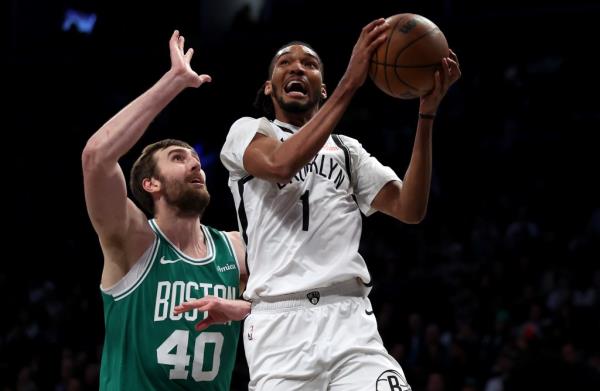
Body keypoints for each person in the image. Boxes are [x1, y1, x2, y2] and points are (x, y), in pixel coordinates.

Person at [187, 17, 460, 390]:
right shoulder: (249, 132)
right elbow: (279, 165)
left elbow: (410, 209)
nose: (297, 66)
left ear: (322, 88)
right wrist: (353, 81)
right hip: (278, 328)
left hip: (349, 321)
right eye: (285, 62)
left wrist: (426, 114)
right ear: (269, 87)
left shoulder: (349, 150)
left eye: (310, 64)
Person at [82, 30, 250, 390]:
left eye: (196, 159)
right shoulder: (133, 241)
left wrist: (243, 309)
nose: (195, 165)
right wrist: (173, 82)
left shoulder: (235, 250)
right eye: (178, 158)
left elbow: (294, 311)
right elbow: (97, 158)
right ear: (150, 184)